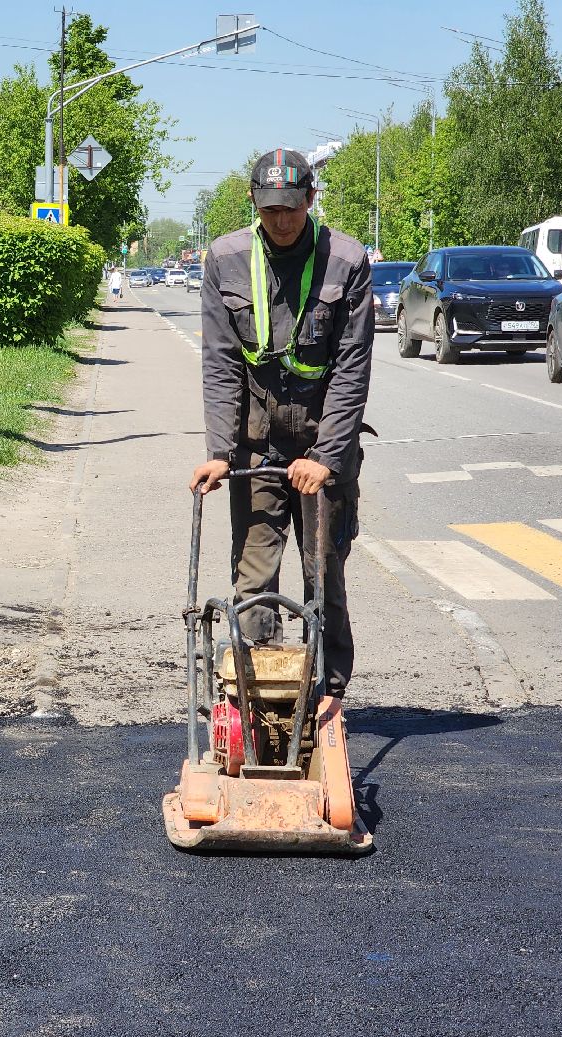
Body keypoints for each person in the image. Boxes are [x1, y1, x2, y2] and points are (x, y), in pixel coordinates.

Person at [189, 148, 373, 699]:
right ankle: (259, 695)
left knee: (324, 573)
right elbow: (221, 363)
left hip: (322, 444)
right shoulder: (226, 259)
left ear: (311, 199)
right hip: (256, 446)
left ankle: (329, 695)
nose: (283, 221)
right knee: (253, 580)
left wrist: (327, 458)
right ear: (254, 202)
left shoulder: (346, 260)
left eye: (292, 208)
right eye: (271, 210)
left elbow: (352, 369)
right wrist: (220, 453)